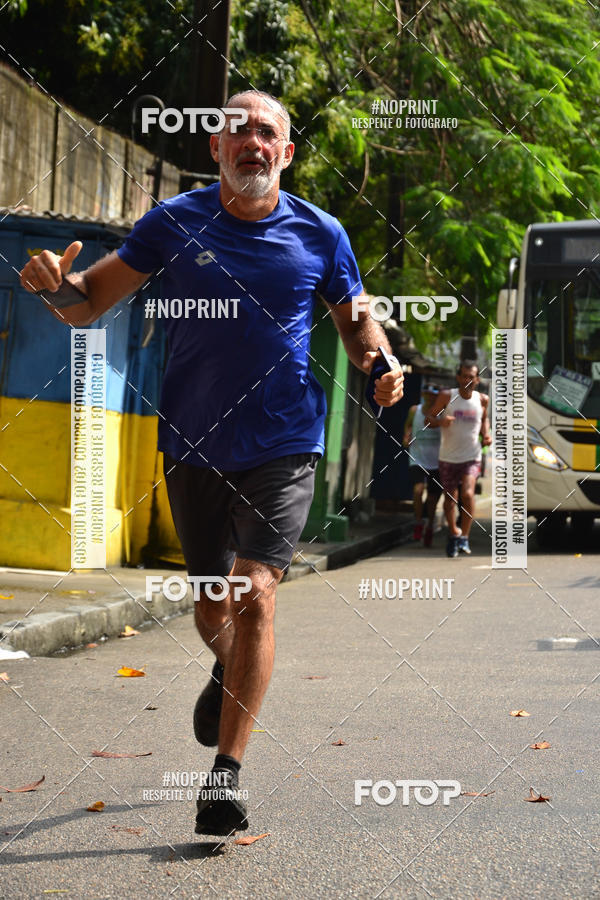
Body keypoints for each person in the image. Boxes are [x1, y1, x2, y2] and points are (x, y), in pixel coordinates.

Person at [19, 90, 404, 836]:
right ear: (215, 148)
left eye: (267, 132)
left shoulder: (322, 234)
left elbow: (358, 323)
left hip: (285, 441)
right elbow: (86, 303)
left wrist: (380, 363)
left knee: (254, 591)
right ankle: (230, 667)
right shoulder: (173, 223)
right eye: (239, 130)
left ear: (286, 152)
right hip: (192, 443)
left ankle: (224, 778)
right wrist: (50, 286)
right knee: (210, 603)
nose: (253, 142)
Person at [426, 360, 491, 558]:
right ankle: (454, 532)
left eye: (471, 377)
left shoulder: (482, 399)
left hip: (472, 456)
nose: (467, 380)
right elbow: (429, 419)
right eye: (464, 376)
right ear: (458, 378)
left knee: (468, 494)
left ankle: (464, 536)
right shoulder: (447, 396)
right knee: (450, 499)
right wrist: (441, 422)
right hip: (448, 457)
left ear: (477, 380)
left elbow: (484, 419)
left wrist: (486, 435)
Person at [402, 383, 442, 547]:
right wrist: (406, 437)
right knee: (418, 490)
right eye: (427, 394)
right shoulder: (414, 410)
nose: (430, 397)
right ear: (423, 395)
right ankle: (418, 522)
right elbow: (408, 425)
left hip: (437, 461)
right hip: (417, 457)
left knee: (432, 498)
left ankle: (430, 525)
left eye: (433, 395)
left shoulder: (442, 413)